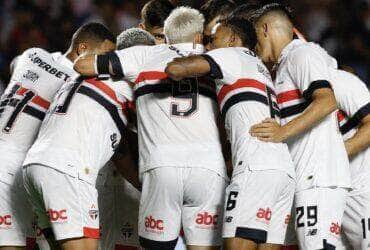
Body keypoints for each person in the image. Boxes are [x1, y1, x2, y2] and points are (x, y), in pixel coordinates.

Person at [74, 7, 228, 250]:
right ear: (198, 37)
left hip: (162, 167)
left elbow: (83, 65)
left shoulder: (146, 55)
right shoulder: (217, 58)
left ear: (166, 36)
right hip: (208, 170)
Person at [165, 16, 296, 250]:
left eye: (213, 39)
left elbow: (176, 69)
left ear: (233, 39)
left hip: (255, 167)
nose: (208, 45)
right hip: (282, 170)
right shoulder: (259, 67)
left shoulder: (230, 55)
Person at [0, 22, 115, 250]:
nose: (106, 64)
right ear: (83, 49)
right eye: (105, 55)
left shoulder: (32, 54)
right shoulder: (77, 82)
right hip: (12, 169)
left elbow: (15, 65)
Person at [248, 3, 351, 249]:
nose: (254, 46)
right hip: (300, 179)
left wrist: (281, 132)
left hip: (317, 179)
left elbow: (327, 101)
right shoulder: (284, 65)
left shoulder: (301, 54)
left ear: (265, 29)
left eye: (254, 37)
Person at [98, 27, 154, 250]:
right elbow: (118, 145)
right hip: (117, 182)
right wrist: (142, 184)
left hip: (131, 181)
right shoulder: (118, 87)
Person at [332, 70, 370, 250]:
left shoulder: (337, 80)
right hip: (327, 195)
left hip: (362, 189)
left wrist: (332, 158)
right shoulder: (280, 90)